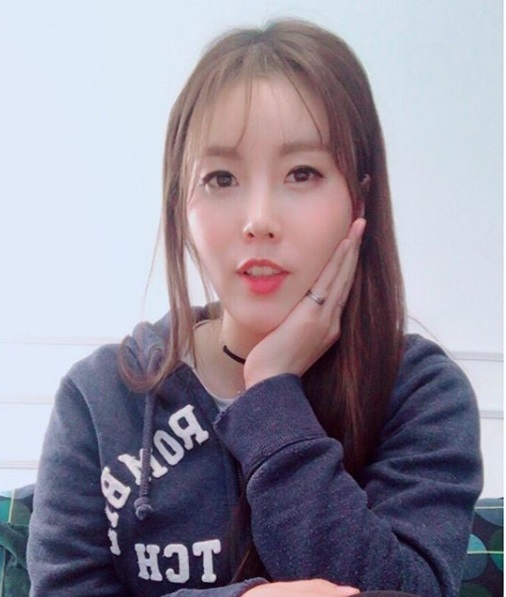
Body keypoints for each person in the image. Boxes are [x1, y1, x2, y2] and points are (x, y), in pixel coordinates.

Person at [27, 19, 482, 597]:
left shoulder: (419, 393)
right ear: (181, 206)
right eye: (221, 178)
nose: (259, 219)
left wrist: (271, 395)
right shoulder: (99, 399)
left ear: (359, 200)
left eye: (302, 173)